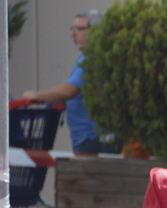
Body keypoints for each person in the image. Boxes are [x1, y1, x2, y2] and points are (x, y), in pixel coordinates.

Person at [22, 10, 113, 156]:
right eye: (72, 29)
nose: (72, 34)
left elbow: (70, 90)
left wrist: (34, 94)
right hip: (92, 137)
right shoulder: (93, 56)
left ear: (94, 30)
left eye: (78, 29)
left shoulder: (92, 58)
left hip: (91, 138)